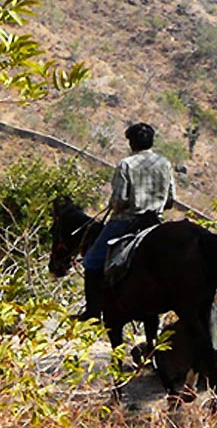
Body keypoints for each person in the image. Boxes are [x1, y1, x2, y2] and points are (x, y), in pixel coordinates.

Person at [73, 122, 176, 321]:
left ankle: (93, 312)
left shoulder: (126, 164)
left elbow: (119, 200)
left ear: (132, 143)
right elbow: (170, 200)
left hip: (127, 221)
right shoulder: (165, 164)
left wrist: (115, 204)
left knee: (92, 261)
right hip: (155, 222)